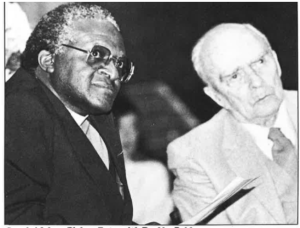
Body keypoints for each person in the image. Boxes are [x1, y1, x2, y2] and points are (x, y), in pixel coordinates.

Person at [5, 3, 135, 225]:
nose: (113, 72)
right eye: (97, 54)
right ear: (48, 60)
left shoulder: (94, 117)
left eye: (120, 64)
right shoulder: (17, 112)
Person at [167, 23, 297, 224]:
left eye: (260, 62)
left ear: (277, 62)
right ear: (216, 96)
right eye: (235, 76)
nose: (256, 81)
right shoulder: (193, 156)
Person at [113, 96, 174, 224]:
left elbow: (157, 220)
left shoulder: (152, 172)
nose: (128, 135)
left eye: (133, 127)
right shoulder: (88, 173)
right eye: (120, 127)